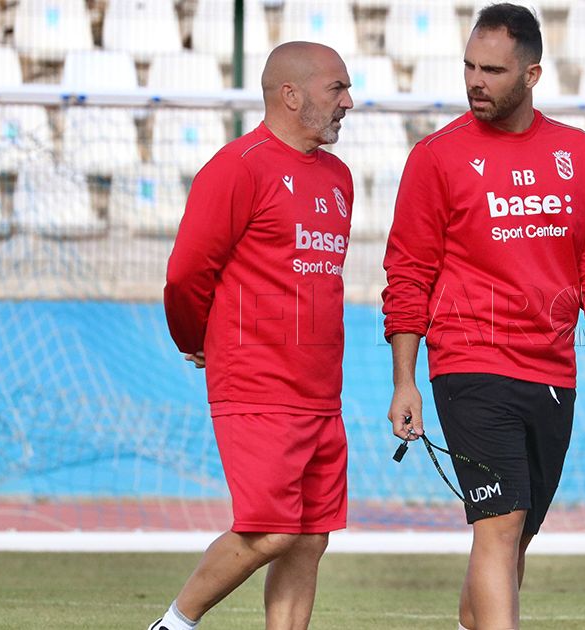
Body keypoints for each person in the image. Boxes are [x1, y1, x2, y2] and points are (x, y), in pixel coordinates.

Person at [381, 5, 585, 629]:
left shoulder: (577, 152)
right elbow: (407, 276)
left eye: (492, 69)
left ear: (533, 73)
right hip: (469, 364)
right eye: (468, 66)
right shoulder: (435, 157)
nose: (474, 81)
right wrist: (404, 379)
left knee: (514, 537)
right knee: (501, 521)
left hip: (552, 373)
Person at [155, 41, 354, 630]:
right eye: (336, 89)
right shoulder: (238, 167)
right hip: (256, 380)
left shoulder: (340, 178)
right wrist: (197, 339)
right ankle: (173, 624)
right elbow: (187, 273)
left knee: (309, 538)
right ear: (290, 95)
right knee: (271, 530)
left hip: (320, 390)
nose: (349, 102)